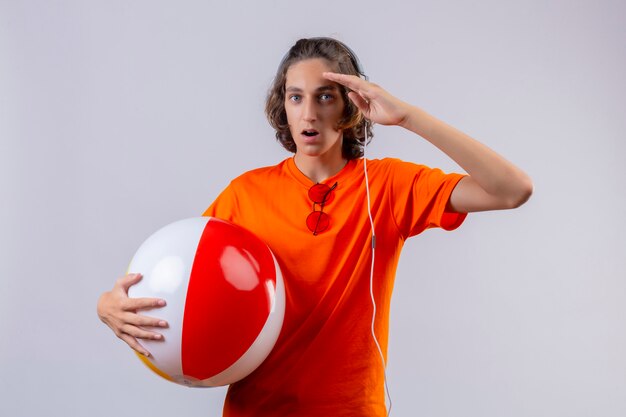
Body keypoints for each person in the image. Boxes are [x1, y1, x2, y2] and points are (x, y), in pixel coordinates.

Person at [97, 37, 533, 416]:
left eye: (325, 96)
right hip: (256, 411)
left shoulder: (385, 186)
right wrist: (108, 306)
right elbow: (181, 283)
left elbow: (512, 189)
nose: (309, 113)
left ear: (351, 104)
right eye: (296, 97)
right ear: (281, 105)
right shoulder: (244, 194)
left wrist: (408, 117)